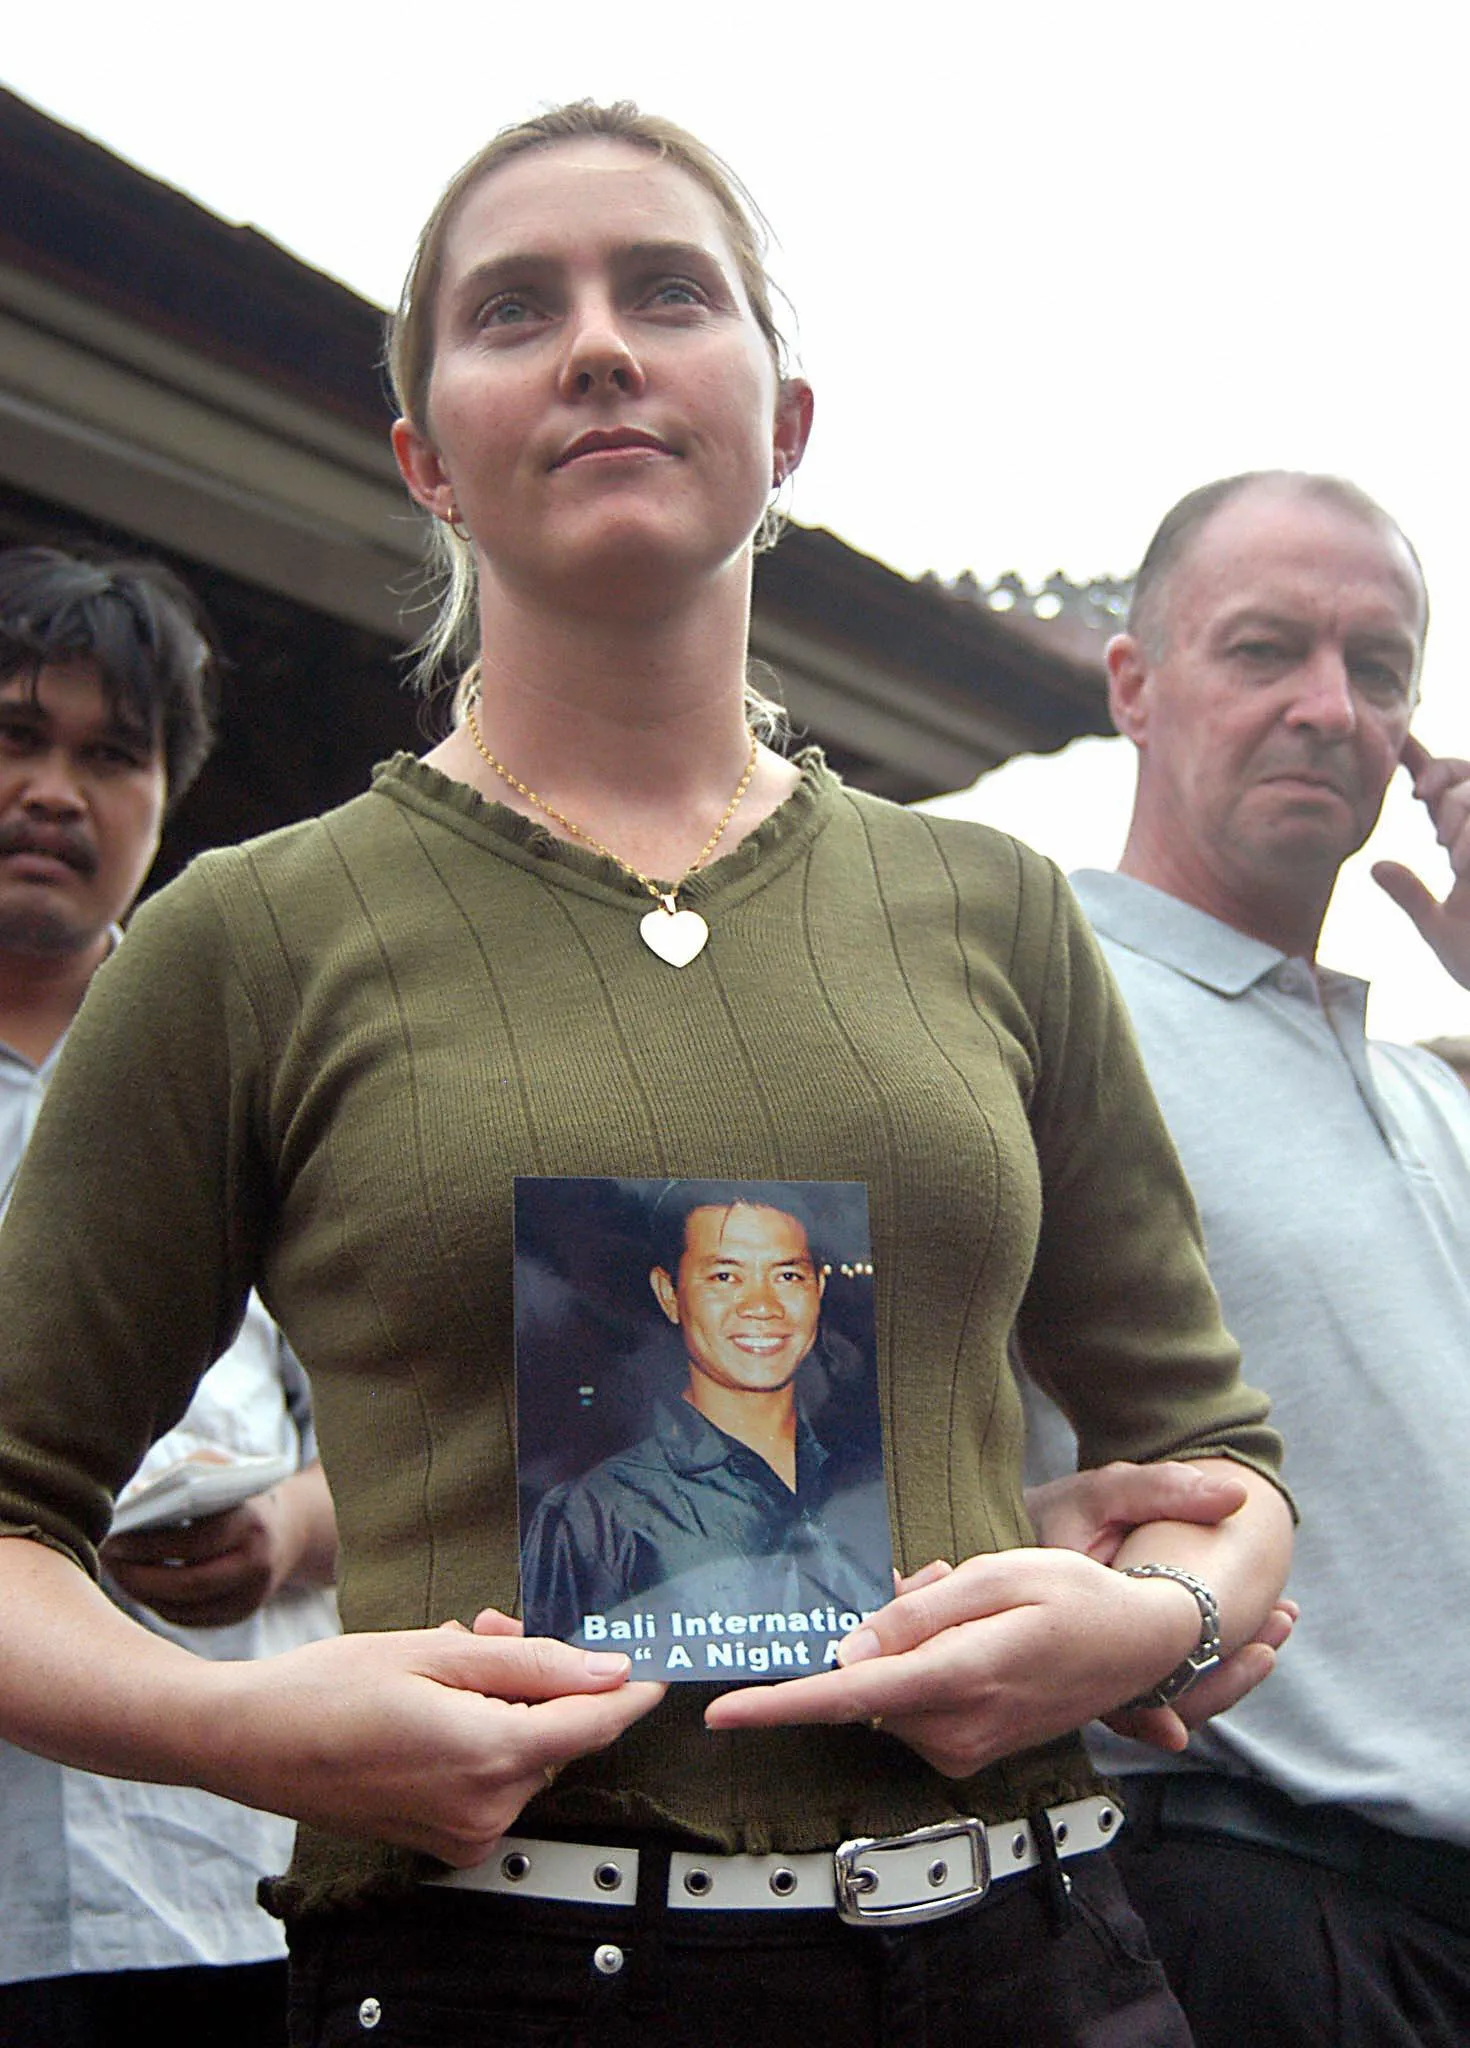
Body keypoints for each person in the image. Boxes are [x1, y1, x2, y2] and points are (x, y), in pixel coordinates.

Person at [0, 106, 1293, 2048]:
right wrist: (233, 1717)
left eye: (667, 292)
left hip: (1025, 1957)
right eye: (516, 307)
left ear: (784, 424)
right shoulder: (245, 936)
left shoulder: (995, 908)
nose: (599, 343)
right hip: (486, 1977)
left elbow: (1225, 1472)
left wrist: (1156, 1623)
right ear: (424, 456)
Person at [1022, 471, 1470, 2045]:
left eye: (1379, 669)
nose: (1324, 707)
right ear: (1133, 687)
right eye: (1264, 649)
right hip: (1239, 1903)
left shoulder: (1430, 1086)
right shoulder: (1028, 998)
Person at [0, 547, 340, 2046]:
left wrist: (287, 1532)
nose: (54, 791)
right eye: (15, 737)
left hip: (232, 1879)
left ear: (165, 793)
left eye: (109, 754)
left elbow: (420, 1411)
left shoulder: (255, 1066)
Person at [522, 1182, 893, 1645]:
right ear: (669, 1294)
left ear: (818, 1290)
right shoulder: (600, 1511)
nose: (761, 1306)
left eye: (787, 1276)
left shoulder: (865, 1475)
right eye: (724, 1277)